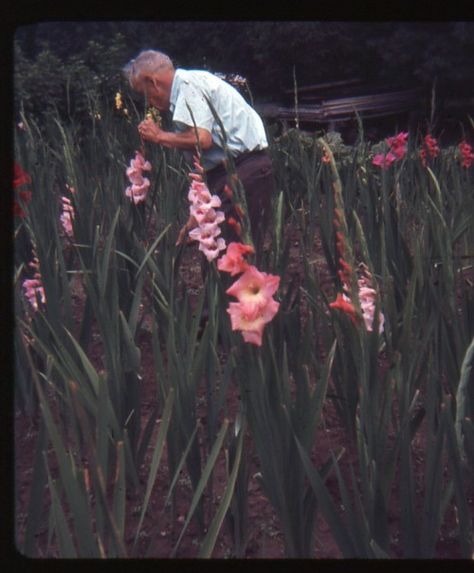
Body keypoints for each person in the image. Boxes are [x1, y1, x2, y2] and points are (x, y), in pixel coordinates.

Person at [123, 49, 276, 255]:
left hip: (243, 172)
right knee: (224, 263)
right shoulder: (190, 85)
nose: (149, 102)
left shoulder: (187, 86)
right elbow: (210, 159)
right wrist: (195, 218)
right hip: (237, 172)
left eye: (145, 94)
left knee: (232, 262)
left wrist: (159, 136)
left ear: (153, 82)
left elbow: (202, 139)